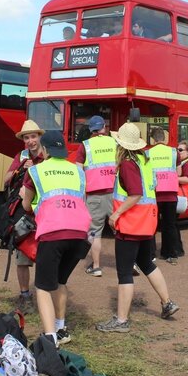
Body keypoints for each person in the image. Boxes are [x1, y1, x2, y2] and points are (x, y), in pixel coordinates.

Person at [96, 122, 179, 334]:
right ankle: (167, 303)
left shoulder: (127, 164)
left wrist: (115, 214)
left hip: (130, 225)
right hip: (147, 222)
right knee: (146, 263)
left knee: (124, 272)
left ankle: (121, 320)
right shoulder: (144, 159)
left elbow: (135, 194)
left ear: (121, 144)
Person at [20, 130, 91, 347]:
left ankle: (50, 337)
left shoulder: (36, 171)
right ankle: (61, 328)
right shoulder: (78, 171)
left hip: (53, 232)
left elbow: (26, 204)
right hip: (79, 234)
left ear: (46, 149)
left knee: (42, 286)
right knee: (60, 281)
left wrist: (33, 207)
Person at [3, 119, 46, 314]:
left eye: (33, 136)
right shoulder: (20, 156)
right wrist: (21, 168)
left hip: (44, 213)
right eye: (27, 137)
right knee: (22, 258)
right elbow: (5, 180)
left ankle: (45, 295)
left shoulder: (48, 155)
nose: (30, 141)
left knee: (44, 256)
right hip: (23, 215)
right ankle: (25, 296)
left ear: (39, 137)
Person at [74, 115, 117, 278]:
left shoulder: (85, 146)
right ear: (104, 128)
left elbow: (79, 173)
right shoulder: (115, 143)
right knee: (120, 230)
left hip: (94, 196)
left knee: (94, 233)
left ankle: (97, 267)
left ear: (90, 129)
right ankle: (130, 262)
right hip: (114, 193)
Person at [147, 128, 182, 264]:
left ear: (153, 139)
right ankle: (170, 254)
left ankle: (150, 254)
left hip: (153, 194)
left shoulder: (148, 153)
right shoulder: (174, 153)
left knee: (152, 225)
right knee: (170, 225)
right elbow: (178, 173)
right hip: (171, 194)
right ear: (164, 138)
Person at [174, 139, 188, 252]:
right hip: (178, 196)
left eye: (180, 150)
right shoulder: (183, 163)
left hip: (179, 196)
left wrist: (171, 178)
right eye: (177, 150)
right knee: (173, 224)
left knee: (173, 224)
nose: (178, 152)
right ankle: (177, 248)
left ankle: (177, 249)